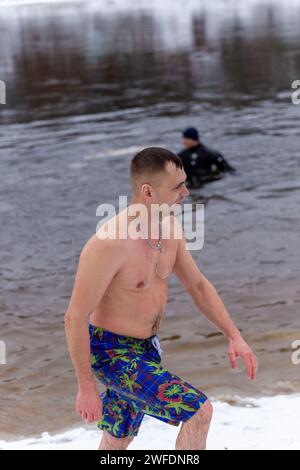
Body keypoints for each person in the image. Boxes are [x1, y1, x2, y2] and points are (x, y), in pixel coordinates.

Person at [64, 147, 257, 450]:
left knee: (119, 435)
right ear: (148, 192)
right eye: (178, 186)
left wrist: (234, 336)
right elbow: (75, 317)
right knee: (199, 412)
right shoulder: (107, 244)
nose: (186, 191)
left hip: (147, 350)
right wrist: (85, 386)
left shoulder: (170, 231)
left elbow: (198, 286)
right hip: (112, 354)